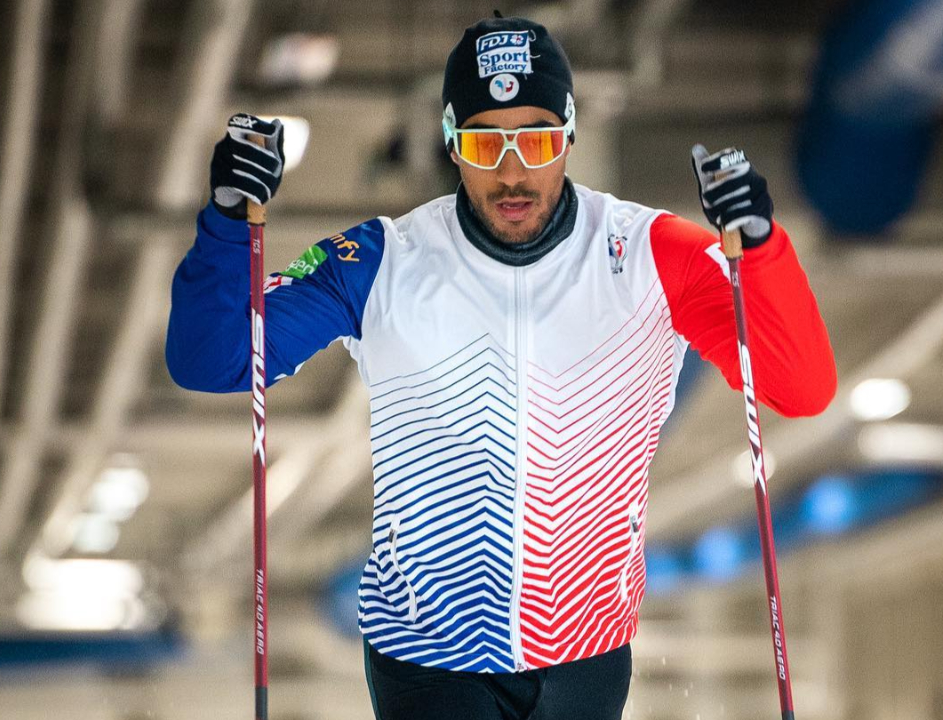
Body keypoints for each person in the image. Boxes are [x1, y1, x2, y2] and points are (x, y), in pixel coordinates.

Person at [166, 13, 836, 720]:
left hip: (585, 651)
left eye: (537, 140)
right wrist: (228, 219)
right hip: (425, 657)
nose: (512, 171)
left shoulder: (651, 254)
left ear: (570, 135)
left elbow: (801, 386)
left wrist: (758, 251)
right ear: (452, 142)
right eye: (486, 143)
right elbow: (213, 359)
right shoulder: (381, 260)